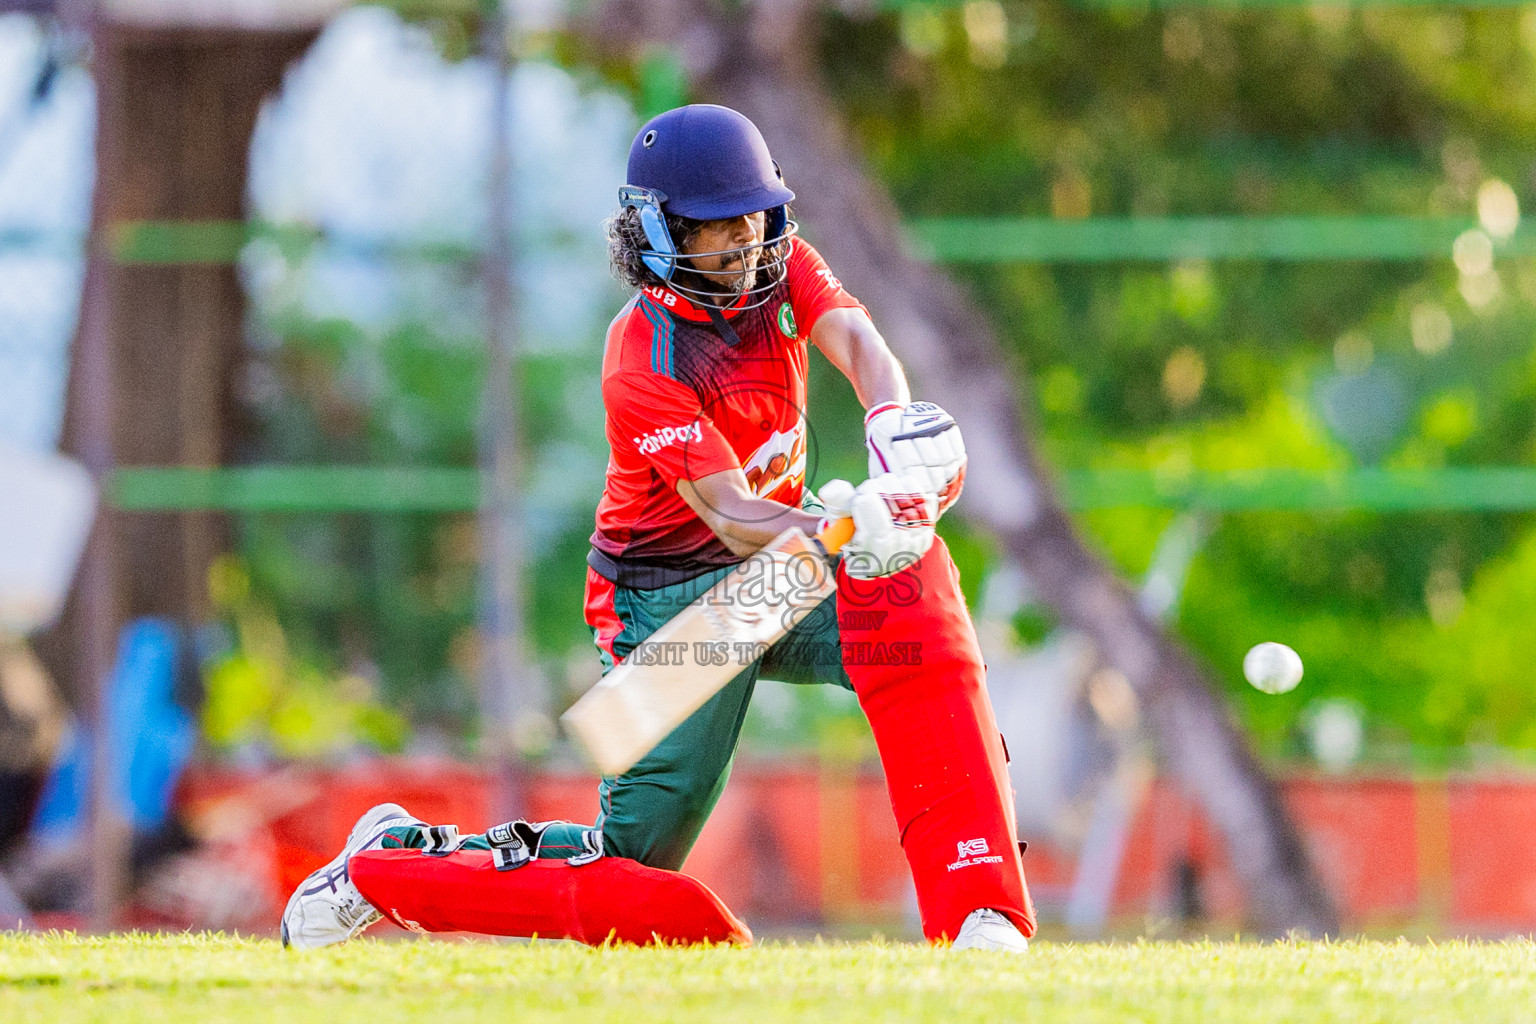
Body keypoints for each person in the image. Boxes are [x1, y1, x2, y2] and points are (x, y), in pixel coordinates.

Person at [281, 104, 1035, 952]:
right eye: (719, 227)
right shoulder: (640, 358)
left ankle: (978, 911)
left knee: (912, 581)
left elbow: (857, 338)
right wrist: (843, 527)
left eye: (756, 217)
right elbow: (730, 513)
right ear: (659, 233)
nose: (747, 242)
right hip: (673, 609)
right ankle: (385, 868)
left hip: (782, 570)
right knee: (633, 869)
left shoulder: (779, 271)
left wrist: (891, 420)